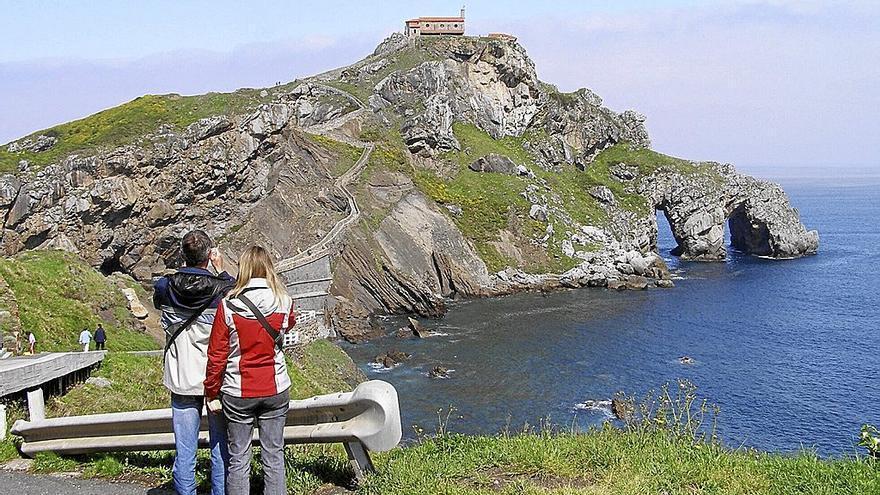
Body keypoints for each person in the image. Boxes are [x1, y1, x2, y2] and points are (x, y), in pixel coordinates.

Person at [205, 246, 296, 495]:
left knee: (238, 458)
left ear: (243, 268)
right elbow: (289, 325)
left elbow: (216, 355)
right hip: (275, 387)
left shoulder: (228, 305)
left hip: (237, 391)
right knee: (274, 456)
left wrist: (211, 393)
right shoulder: (284, 301)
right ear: (268, 268)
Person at [153, 230, 235, 495]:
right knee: (219, 445)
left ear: (182, 255)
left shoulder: (165, 287)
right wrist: (221, 271)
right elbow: (236, 295)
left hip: (180, 376)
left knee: (185, 448)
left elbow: (159, 299)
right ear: (209, 256)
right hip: (214, 378)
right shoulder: (221, 289)